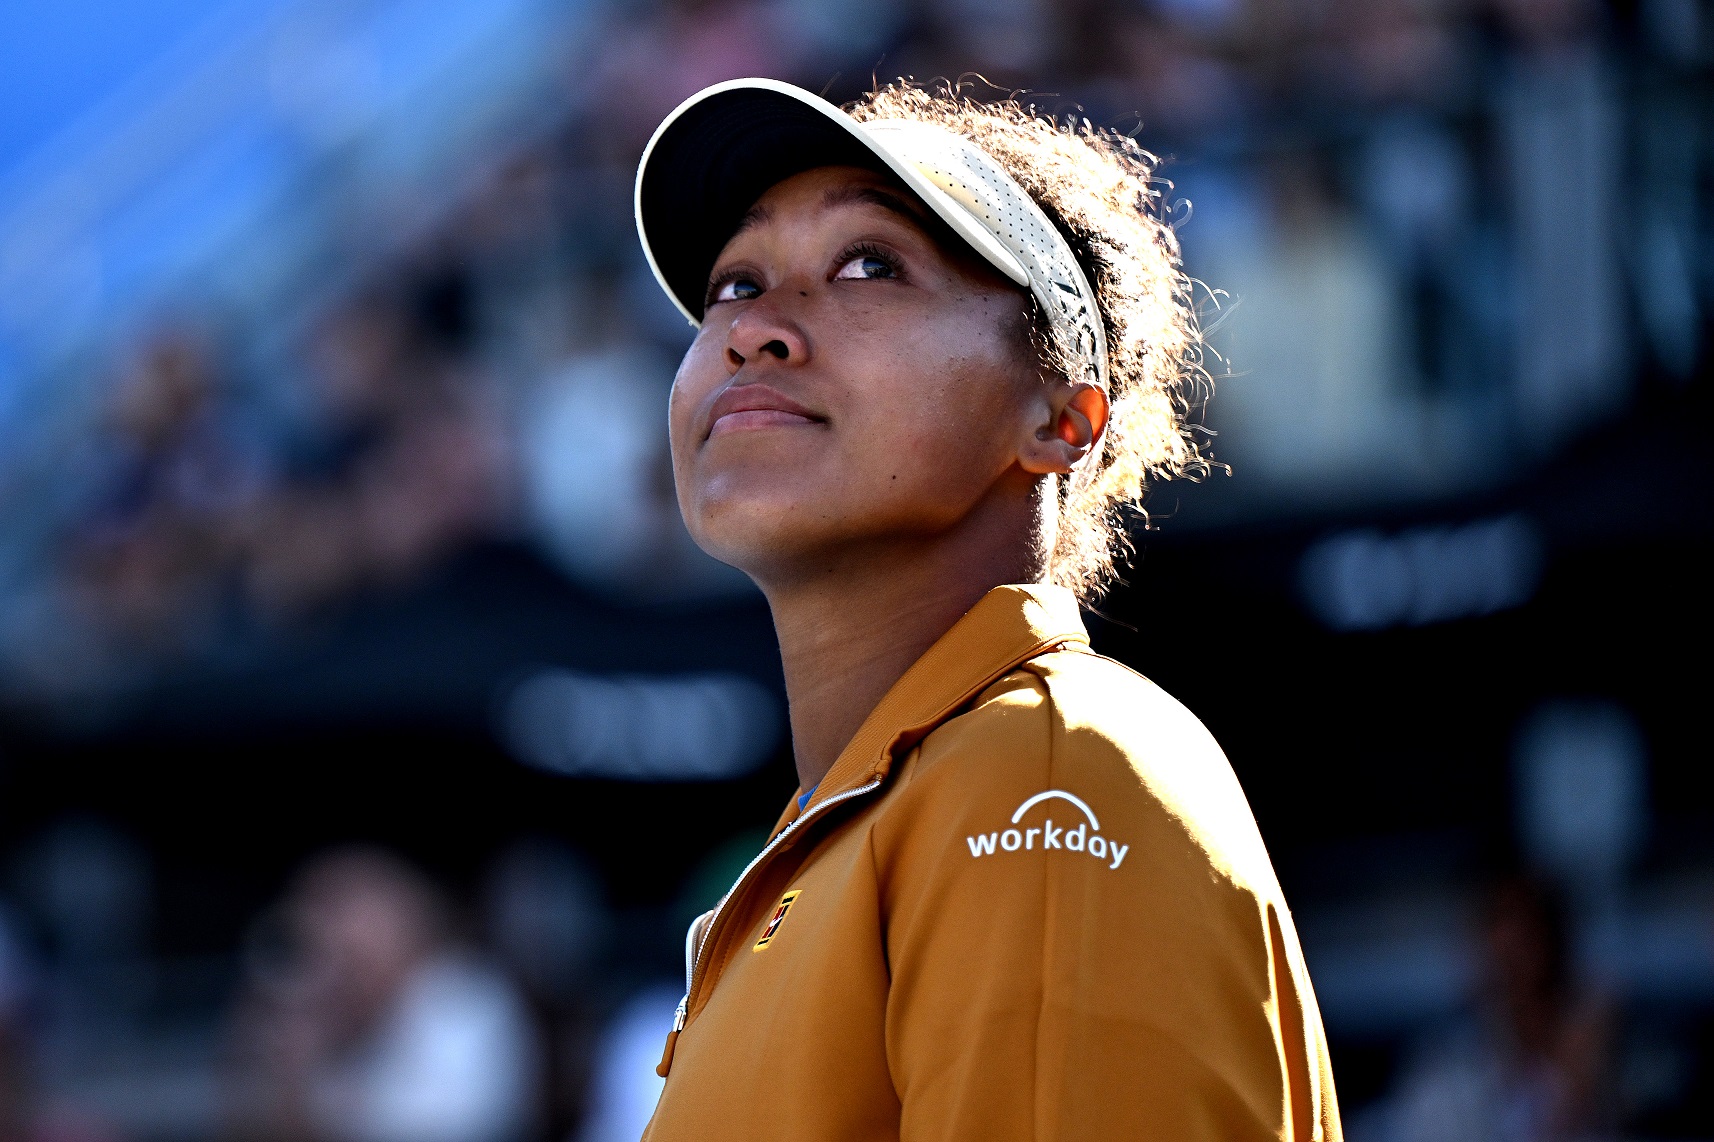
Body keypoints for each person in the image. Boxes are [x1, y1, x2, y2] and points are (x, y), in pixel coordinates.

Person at [631, 77, 1342, 1139]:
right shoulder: (865, 827)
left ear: (1061, 418)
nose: (754, 331)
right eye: (735, 283)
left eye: (870, 263)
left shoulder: (1044, 772)